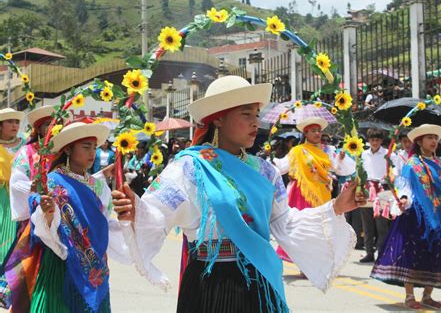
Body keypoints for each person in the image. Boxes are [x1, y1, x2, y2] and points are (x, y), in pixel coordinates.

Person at [111, 76, 367, 312]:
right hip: (211, 283)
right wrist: (137, 211)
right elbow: (157, 214)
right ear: (218, 118)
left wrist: (336, 207)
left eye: (256, 114)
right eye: (246, 114)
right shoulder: (190, 167)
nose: (256, 122)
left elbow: (284, 223)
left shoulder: (265, 171)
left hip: (260, 280)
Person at [3, 122, 132, 312]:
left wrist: (126, 220)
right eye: (86, 147)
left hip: (94, 263)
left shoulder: (98, 186)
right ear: (69, 149)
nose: (91, 153)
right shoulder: (52, 181)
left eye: (94, 148)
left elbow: (103, 221)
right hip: (61, 260)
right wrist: (46, 214)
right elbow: (43, 226)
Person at [371, 124, 441, 309]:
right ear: (419, 141)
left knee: (436, 252)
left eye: (435, 137)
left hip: (438, 213)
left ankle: (427, 295)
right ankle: (409, 296)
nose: (434, 141)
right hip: (416, 214)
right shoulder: (412, 164)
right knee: (411, 253)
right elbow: (405, 186)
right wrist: (403, 199)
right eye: (429, 138)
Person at [273, 117, 356, 263]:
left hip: (322, 194)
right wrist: (270, 161)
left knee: (320, 230)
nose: (317, 133)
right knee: (304, 229)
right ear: (306, 133)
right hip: (302, 194)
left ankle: (315, 261)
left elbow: (339, 169)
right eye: (313, 131)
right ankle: (303, 262)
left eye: (319, 130)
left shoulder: (327, 150)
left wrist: (341, 159)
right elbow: (281, 167)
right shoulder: (297, 151)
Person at [0, 108, 25, 308]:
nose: (15, 126)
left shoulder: (26, 146)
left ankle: (10, 286)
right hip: (1, 197)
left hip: (19, 196)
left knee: (19, 239)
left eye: (17, 122)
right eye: (10, 122)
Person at [359, 129, 397, 263]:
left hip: (382, 190)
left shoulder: (388, 154)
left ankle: (382, 252)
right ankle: (369, 252)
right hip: (367, 190)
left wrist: (390, 176)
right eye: (372, 140)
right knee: (367, 224)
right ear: (368, 140)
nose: (374, 142)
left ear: (381, 141)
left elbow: (397, 169)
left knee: (382, 225)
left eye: (377, 140)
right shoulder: (363, 154)